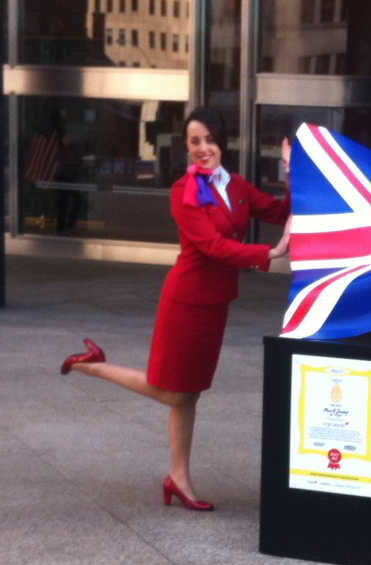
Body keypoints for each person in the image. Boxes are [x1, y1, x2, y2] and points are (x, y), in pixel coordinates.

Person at [60, 106, 292, 511]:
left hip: (216, 301)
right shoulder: (184, 192)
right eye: (194, 142)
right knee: (172, 391)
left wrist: (292, 173)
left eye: (209, 140)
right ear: (187, 148)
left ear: (222, 143)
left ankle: (178, 477)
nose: (203, 149)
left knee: (190, 394)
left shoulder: (235, 185)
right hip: (186, 300)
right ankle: (92, 364)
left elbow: (279, 211)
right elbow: (213, 246)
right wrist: (269, 253)